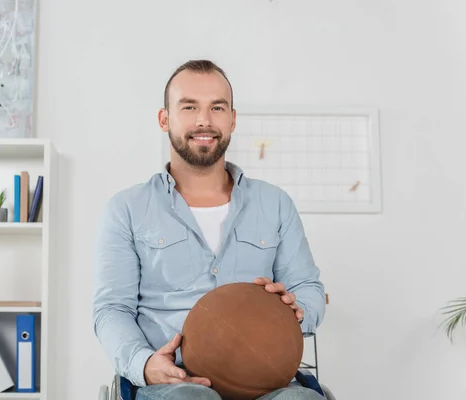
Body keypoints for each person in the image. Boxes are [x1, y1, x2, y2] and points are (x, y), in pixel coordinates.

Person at [93, 60, 327, 400]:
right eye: (189, 107)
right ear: (164, 119)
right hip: (173, 383)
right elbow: (112, 309)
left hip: (266, 379)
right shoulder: (126, 209)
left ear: (232, 119)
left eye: (217, 107)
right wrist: (143, 363)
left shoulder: (275, 203)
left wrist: (296, 308)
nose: (204, 120)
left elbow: (308, 287)